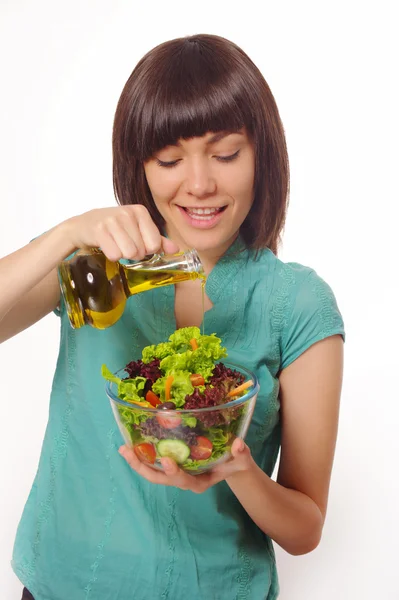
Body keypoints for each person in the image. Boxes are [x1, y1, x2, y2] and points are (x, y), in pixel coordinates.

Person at [1, 33, 345, 600]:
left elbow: (304, 527)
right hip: (63, 584)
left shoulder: (297, 305)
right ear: (139, 164)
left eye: (227, 153)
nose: (201, 183)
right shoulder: (94, 263)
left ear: (263, 155)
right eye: (169, 159)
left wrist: (237, 469)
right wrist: (65, 234)